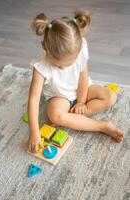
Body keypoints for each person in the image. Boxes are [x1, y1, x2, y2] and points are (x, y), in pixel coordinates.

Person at [28, 10, 124, 153]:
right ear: (44, 47)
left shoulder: (80, 48)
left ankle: (71, 120)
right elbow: (33, 100)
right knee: (54, 114)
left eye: (69, 63)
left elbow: (83, 77)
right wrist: (34, 132)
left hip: (83, 89)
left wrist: (81, 101)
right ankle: (101, 126)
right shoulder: (41, 68)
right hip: (60, 97)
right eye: (58, 64)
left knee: (111, 96)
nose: (64, 67)